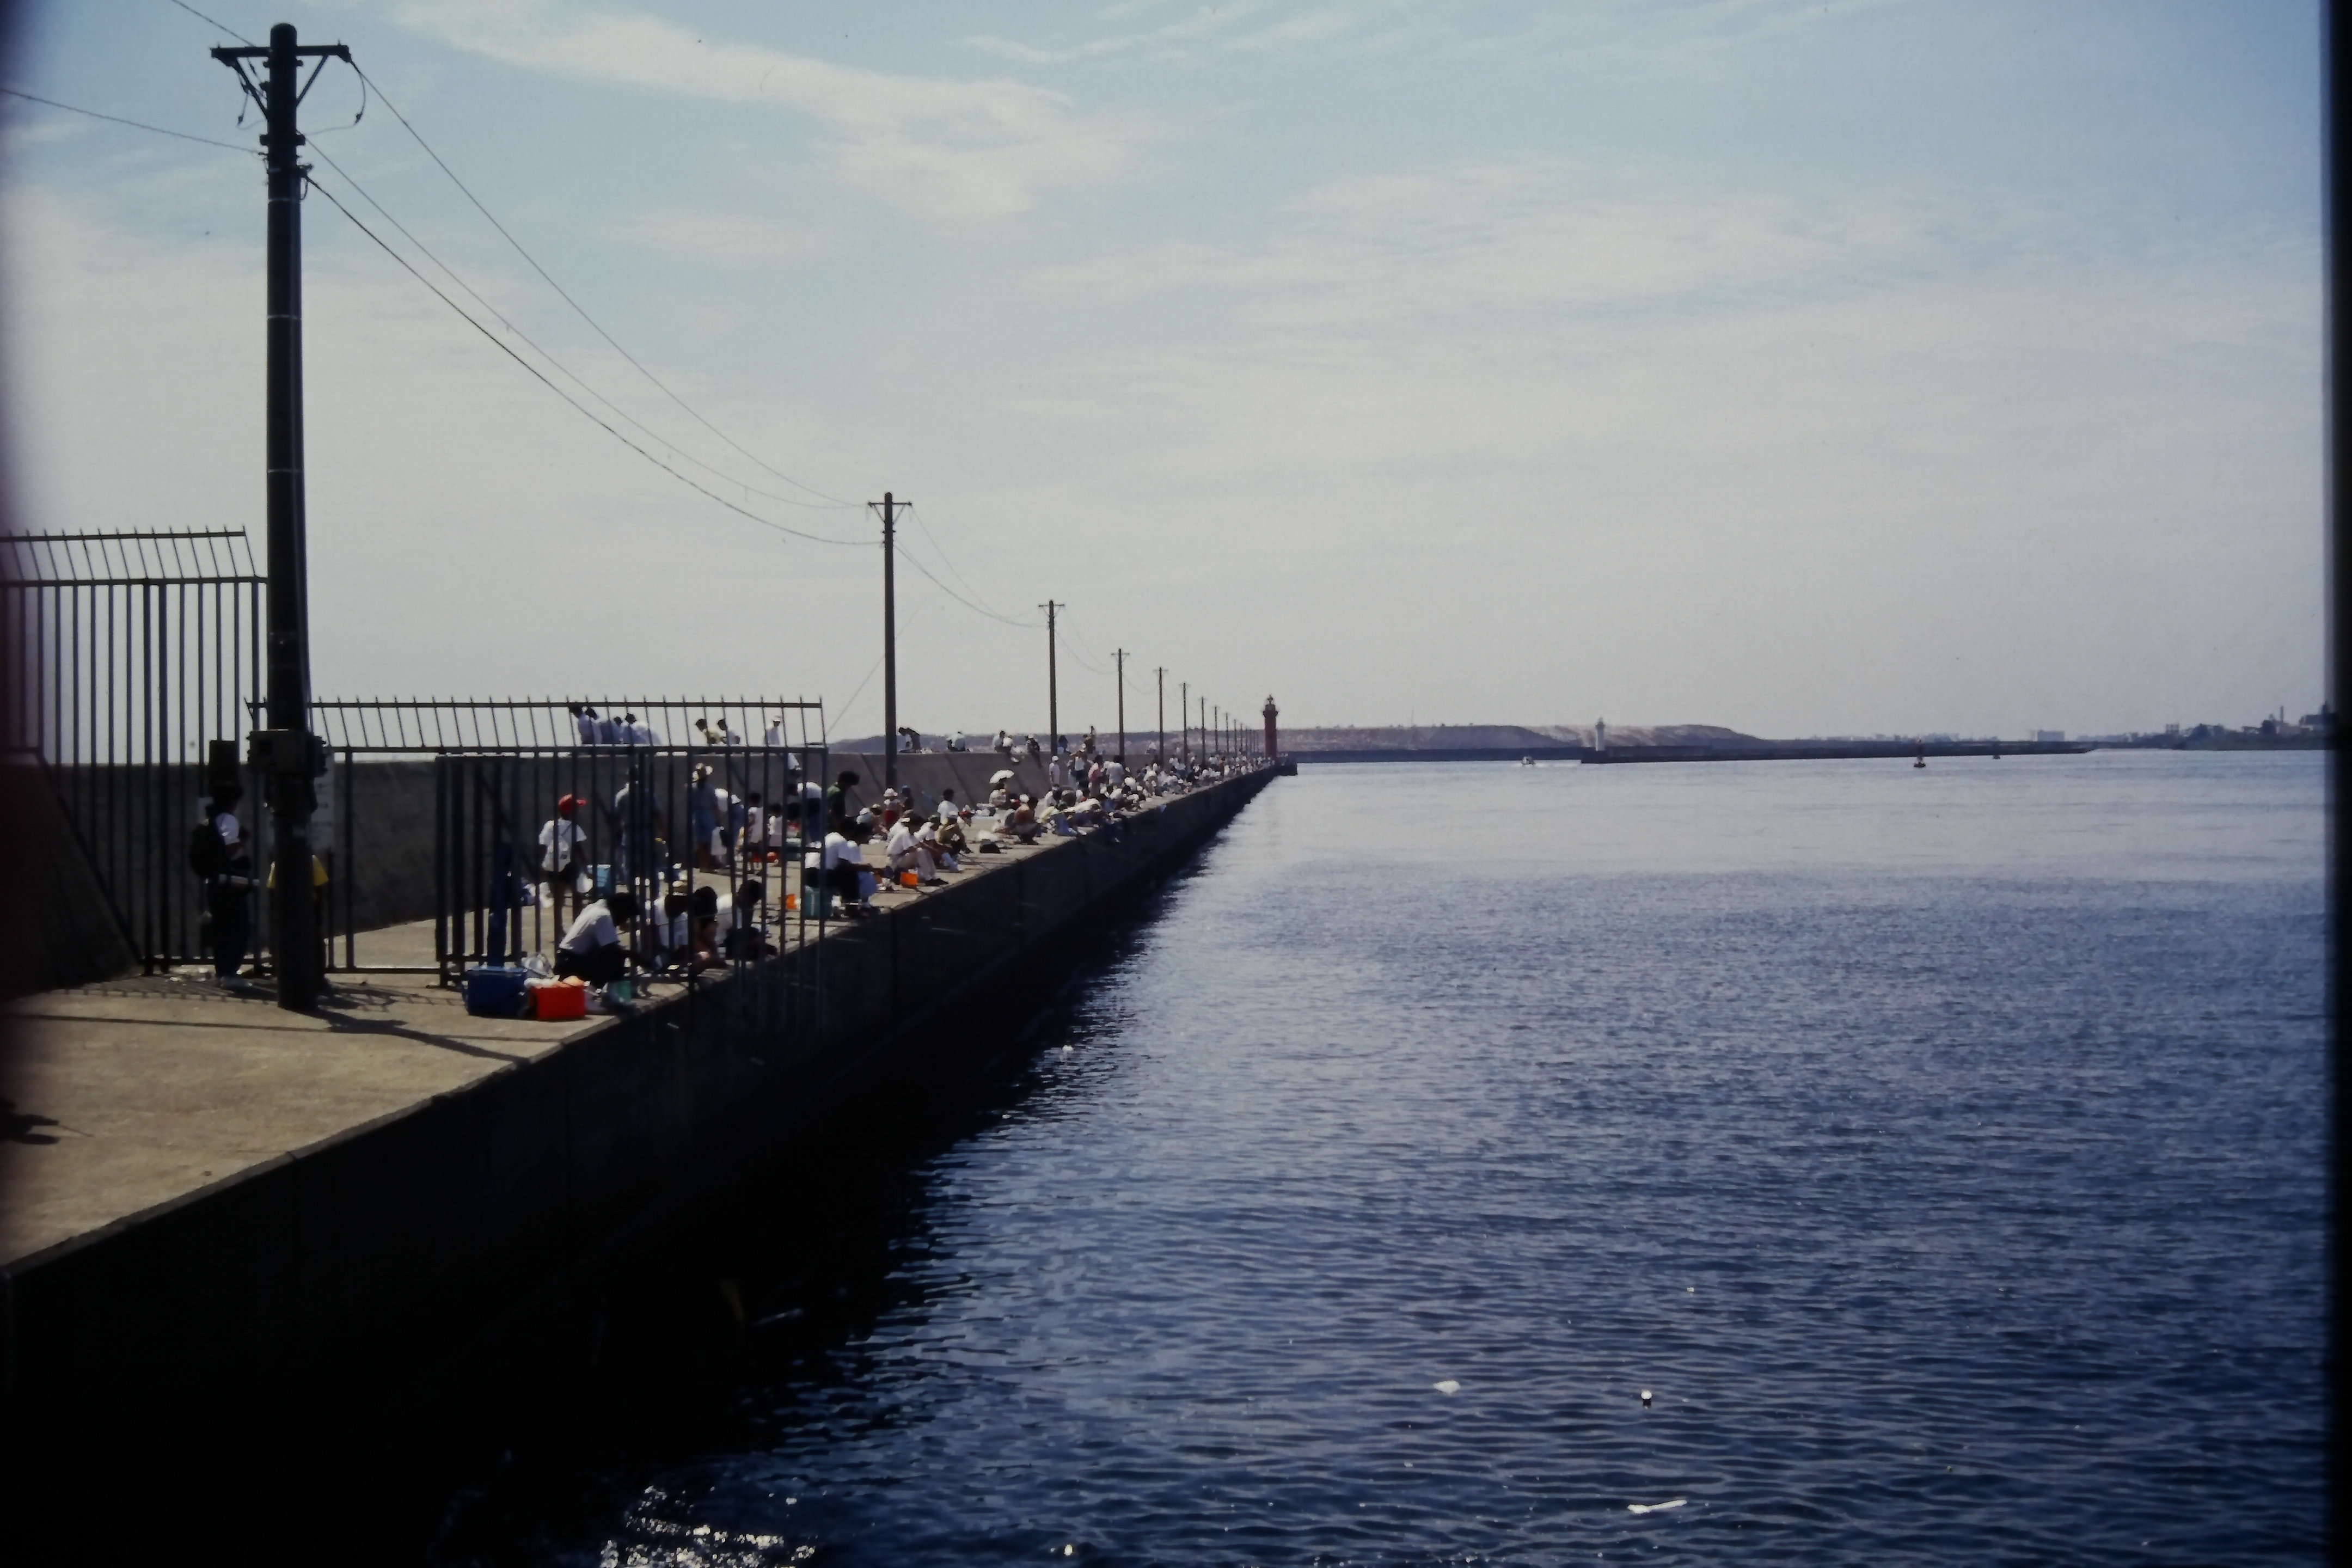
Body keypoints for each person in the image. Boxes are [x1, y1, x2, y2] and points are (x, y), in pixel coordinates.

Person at [192, 783, 255, 989]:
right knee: (239, 928)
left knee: (221, 929)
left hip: (215, 883)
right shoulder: (228, 819)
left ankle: (222, 973)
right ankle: (230, 974)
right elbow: (230, 847)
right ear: (233, 801)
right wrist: (243, 839)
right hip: (229, 883)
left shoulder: (210, 820)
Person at [556, 889, 639, 985]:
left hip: (566, 959)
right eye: (625, 916)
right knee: (615, 957)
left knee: (615, 953)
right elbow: (612, 949)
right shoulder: (603, 916)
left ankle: (595, 990)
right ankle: (606, 991)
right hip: (571, 962)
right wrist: (635, 956)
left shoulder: (594, 908)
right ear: (620, 911)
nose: (624, 921)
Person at [538, 794, 588, 936]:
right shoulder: (574, 828)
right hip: (569, 866)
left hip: (552, 866)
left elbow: (543, 846)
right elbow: (578, 849)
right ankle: (577, 926)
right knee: (578, 896)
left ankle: (558, 929)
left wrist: (543, 865)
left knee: (558, 900)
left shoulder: (550, 826)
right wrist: (586, 868)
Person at [716, 877, 770, 958]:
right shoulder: (731, 908)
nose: (753, 904)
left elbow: (747, 927)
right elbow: (744, 932)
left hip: (729, 933)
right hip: (720, 941)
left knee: (757, 932)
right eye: (753, 901)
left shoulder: (732, 898)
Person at [886, 812, 940, 886]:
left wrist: (934, 851)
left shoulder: (913, 834)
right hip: (895, 860)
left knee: (926, 852)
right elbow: (911, 848)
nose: (920, 828)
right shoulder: (905, 833)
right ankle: (928, 879)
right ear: (913, 826)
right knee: (920, 852)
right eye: (919, 826)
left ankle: (933, 876)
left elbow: (921, 844)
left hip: (902, 858)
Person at [826, 769, 860, 837]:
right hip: (833, 825)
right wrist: (839, 827)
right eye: (849, 785)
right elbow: (832, 812)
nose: (849, 787)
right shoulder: (838, 793)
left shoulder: (832, 789)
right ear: (843, 782)